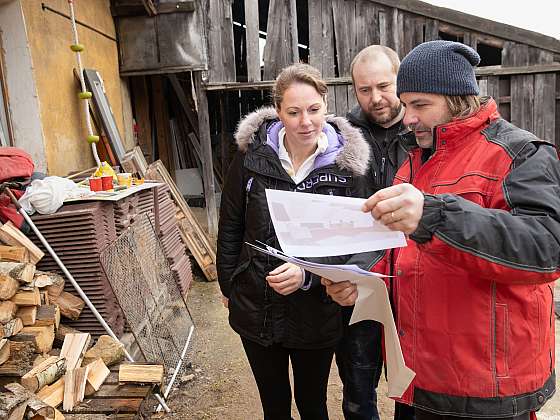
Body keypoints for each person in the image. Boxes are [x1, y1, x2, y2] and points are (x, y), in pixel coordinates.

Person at [324, 40, 560, 420]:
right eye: (407, 104)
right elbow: (399, 254)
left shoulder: (521, 153)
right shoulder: (415, 161)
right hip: (421, 377)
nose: (408, 117)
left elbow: (545, 250)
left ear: (458, 98)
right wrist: (362, 281)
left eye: (420, 105)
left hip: (488, 387)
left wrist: (434, 215)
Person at [217, 63, 373, 420]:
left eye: (314, 110)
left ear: (326, 105)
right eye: (294, 112)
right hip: (258, 302)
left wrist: (310, 276)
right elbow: (231, 225)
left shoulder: (348, 168)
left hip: (317, 309)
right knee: (274, 406)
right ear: (278, 112)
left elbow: (354, 243)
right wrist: (230, 284)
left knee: (312, 404)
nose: (306, 121)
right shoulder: (251, 159)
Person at [336, 45, 416, 420]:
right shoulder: (342, 136)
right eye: (364, 90)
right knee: (357, 384)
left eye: (384, 86)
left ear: (399, 79)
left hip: (414, 276)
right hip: (363, 274)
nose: (376, 98)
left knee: (413, 387)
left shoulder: (423, 131)